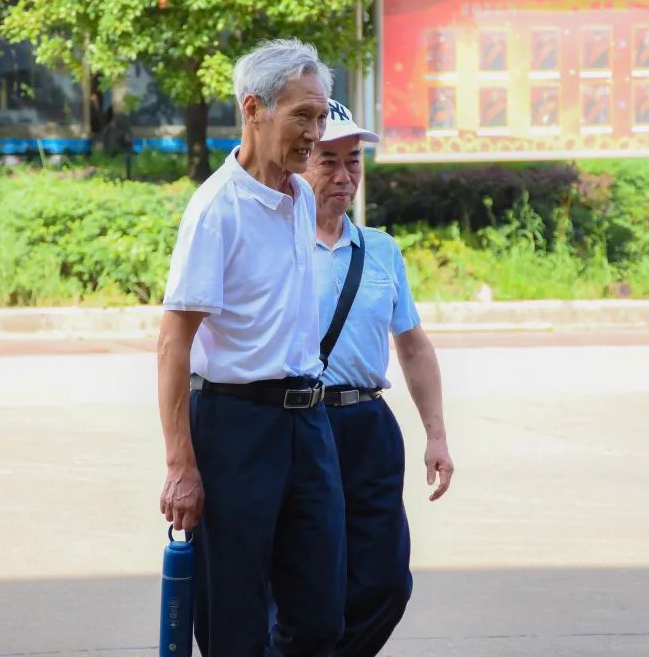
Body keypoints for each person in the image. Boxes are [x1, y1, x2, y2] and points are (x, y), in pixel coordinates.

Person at [157, 39, 344, 657]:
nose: (314, 134)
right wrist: (181, 465)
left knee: (320, 616)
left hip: (308, 425)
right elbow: (173, 344)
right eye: (302, 116)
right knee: (233, 622)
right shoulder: (216, 210)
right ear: (254, 109)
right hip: (235, 428)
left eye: (321, 116)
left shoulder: (301, 197)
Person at [302, 99, 455, 656]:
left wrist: (436, 435)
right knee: (306, 583)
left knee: (386, 582)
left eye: (354, 161)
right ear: (300, 161)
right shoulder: (275, 246)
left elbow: (412, 346)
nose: (344, 176)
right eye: (328, 161)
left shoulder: (382, 251)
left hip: (369, 425)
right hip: (301, 424)